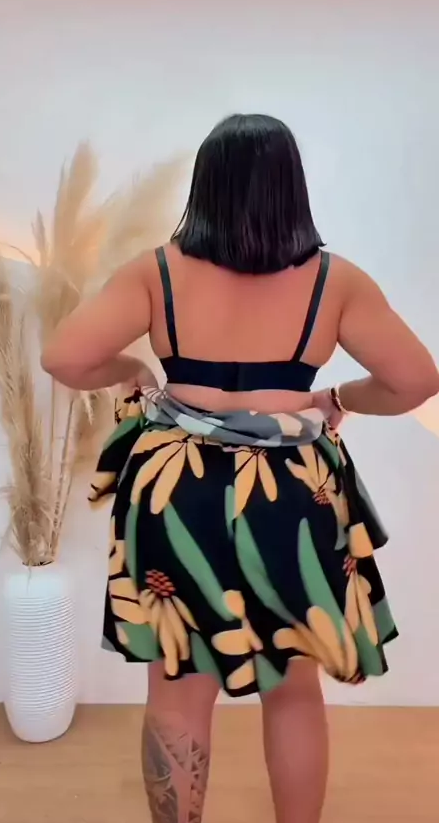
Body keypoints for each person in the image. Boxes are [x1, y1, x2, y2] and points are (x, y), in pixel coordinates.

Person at [42, 114, 438, 823]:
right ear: (291, 188)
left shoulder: (155, 272)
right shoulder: (336, 281)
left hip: (174, 489)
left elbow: (64, 357)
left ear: (206, 186)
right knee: (292, 684)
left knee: (178, 682)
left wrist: (135, 369)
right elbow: (415, 380)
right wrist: (338, 398)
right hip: (292, 493)